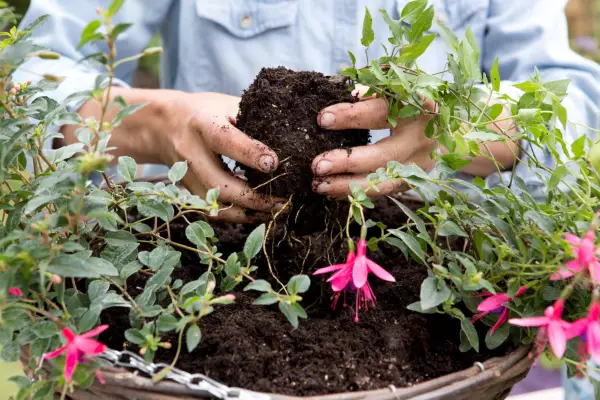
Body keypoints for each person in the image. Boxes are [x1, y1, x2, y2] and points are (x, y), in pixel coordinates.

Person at [13, 1, 600, 397]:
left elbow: (571, 104)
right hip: (213, 256)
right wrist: (158, 122)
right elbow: (27, 79)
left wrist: (464, 129)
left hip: (433, 283)